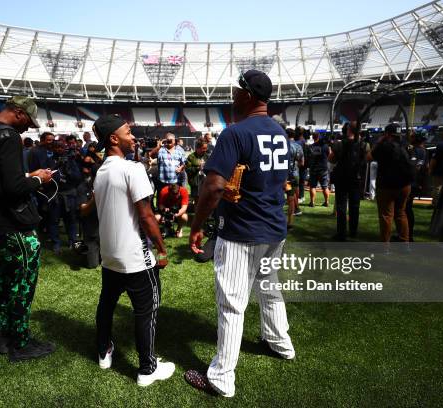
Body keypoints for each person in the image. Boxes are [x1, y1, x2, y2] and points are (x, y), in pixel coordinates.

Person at [185, 70, 295, 398]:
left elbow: (214, 186)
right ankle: (280, 344)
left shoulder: (236, 133)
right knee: (270, 292)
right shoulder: (280, 132)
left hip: (242, 230)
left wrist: (196, 226)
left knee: (232, 305)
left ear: (248, 95)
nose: (233, 96)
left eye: (237, 91)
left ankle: (221, 378)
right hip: (274, 228)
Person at [0, 96, 55, 362]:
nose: (28, 128)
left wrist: (27, 177)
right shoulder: (7, 136)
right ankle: (20, 343)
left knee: (6, 281)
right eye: (28, 121)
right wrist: (38, 179)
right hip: (13, 223)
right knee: (22, 283)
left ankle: (9, 336)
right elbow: (13, 189)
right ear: (18, 113)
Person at [92, 114, 174, 387]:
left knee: (107, 305)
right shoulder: (132, 168)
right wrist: (162, 250)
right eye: (128, 132)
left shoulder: (101, 170)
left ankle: (104, 352)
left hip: (110, 256)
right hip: (135, 257)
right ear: (113, 138)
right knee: (147, 310)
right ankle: (147, 370)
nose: (133, 136)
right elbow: (146, 216)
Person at [368, 124, 414, 244]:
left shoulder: (384, 146)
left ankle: (385, 245)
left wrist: (378, 143)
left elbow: (368, 157)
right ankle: (404, 242)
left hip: (386, 185)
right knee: (401, 213)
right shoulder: (407, 145)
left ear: (387, 134)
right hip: (405, 185)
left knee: (386, 216)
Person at [329, 122, 370, 241]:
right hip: (356, 178)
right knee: (355, 206)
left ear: (347, 130)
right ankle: (353, 231)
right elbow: (367, 159)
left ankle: (341, 233)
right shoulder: (364, 145)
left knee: (341, 206)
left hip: (342, 178)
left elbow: (331, 160)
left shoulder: (339, 144)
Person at [28, 131, 60, 252]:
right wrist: (38, 184)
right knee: (38, 218)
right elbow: (33, 170)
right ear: (42, 140)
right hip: (40, 189)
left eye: (53, 139)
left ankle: (54, 241)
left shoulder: (54, 151)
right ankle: (36, 243)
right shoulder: (35, 152)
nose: (52, 142)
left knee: (53, 217)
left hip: (52, 189)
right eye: (49, 140)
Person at [405, 132, 428, 242]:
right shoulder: (424, 151)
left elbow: (414, 166)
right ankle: (407, 234)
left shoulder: (414, 150)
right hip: (415, 182)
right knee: (407, 208)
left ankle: (407, 235)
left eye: (412, 137)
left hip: (410, 182)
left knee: (405, 209)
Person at [286, 128, 304, 227]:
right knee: (291, 198)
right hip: (294, 174)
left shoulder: (282, 145)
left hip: (282, 175)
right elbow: (302, 163)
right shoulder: (298, 146)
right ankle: (290, 222)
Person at [308, 132, 331, 207]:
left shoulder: (311, 146)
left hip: (314, 168)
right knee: (325, 186)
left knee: (313, 186)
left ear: (313, 137)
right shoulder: (326, 146)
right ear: (319, 136)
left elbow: (309, 156)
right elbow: (329, 155)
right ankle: (327, 202)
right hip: (323, 168)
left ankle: (312, 202)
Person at [185, 137, 209, 208]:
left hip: (206, 181)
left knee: (205, 199)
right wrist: (198, 168)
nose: (205, 150)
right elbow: (188, 170)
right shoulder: (191, 157)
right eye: (203, 148)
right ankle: (197, 215)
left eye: (206, 148)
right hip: (195, 182)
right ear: (198, 148)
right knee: (197, 200)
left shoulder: (207, 156)